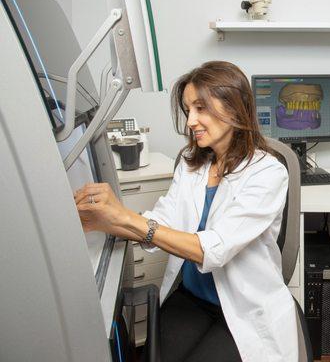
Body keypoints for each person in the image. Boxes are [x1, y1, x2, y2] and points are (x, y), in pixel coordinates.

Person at [75, 61, 299, 362]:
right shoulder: (192, 165)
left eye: (200, 108)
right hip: (192, 298)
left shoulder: (267, 173)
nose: (191, 121)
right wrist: (105, 217)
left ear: (234, 109)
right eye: (187, 109)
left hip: (245, 307)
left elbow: (213, 249)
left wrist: (123, 217)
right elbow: (163, 221)